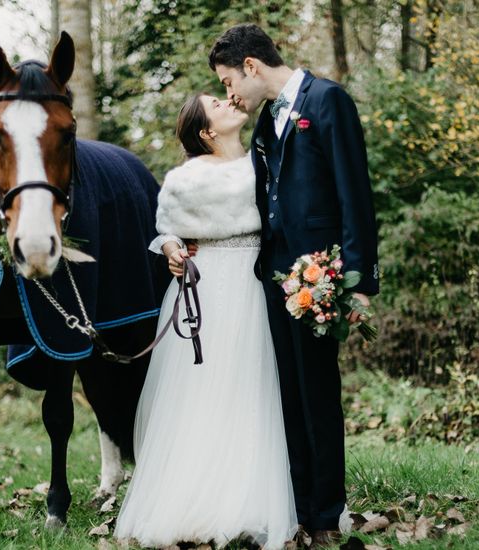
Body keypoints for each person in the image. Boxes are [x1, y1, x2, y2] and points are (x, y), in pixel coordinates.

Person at [208, 23, 380, 545]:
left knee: (318, 393)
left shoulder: (327, 101)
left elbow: (356, 194)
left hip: (321, 277)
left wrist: (360, 280)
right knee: (287, 393)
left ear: (252, 66)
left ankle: (327, 512)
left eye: (227, 80)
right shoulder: (264, 124)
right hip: (274, 275)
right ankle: (300, 505)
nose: (228, 93)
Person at [114, 93, 298, 549]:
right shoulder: (187, 177)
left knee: (253, 387)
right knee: (206, 391)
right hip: (210, 286)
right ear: (207, 132)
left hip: (258, 285)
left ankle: (254, 497)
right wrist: (175, 251)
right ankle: (198, 498)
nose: (228, 99)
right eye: (216, 102)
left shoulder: (264, 158)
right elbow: (167, 231)